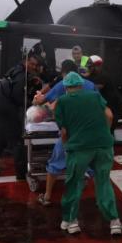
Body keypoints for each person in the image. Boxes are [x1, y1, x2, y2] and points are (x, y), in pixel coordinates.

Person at [54, 71, 121, 236]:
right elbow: (109, 115)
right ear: (81, 85)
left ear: (66, 87)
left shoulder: (62, 102)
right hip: (103, 145)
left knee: (74, 184)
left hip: (80, 148)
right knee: (103, 182)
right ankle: (114, 222)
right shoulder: (94, 96)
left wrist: (67, 146)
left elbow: (64, 132)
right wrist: (104, 132)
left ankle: (71, 221)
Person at [35, 59, 96, 206]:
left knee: (56, 163)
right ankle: (98, 195)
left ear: (64, 73)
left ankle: (48, 196)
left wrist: (37, 99)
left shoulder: (63, 84)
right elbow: (105, 112)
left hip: (70, 134)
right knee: (91, 163)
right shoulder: (90, 85)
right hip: (89, 134)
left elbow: (47, 103)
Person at [0, 53, 43, 178]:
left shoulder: (16, 70)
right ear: (25, 62)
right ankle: (21, 175)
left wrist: (31, 80)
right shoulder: (21, 76)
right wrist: (32, 103)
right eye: (31, 64)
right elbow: (17, 97)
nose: (33, 67)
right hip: (5, 112)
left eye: (35, 65)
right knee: (17, 141)